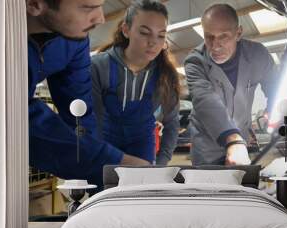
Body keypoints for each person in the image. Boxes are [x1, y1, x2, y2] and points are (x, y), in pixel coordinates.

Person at [26, 0, 149, 188]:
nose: (100, 18)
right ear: (34, 4)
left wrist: (100, 179)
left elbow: (80, 110)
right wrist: (108, 162)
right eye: (88, 8)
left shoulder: (74, 39)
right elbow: (14, 119)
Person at [184, 3, 277, 166]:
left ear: (238, 33)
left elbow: (275, 84)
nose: (215, 46)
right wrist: (233, 139)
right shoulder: (195, 61)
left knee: (238, 185)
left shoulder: (258, 55)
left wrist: (275, 107)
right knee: (207, 187)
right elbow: (205, 100)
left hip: (241, 140)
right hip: (207, 144)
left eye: (223, 36)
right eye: (209, 37)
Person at [91, 0, 180, 165]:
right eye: (145, 32)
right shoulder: (98, 67)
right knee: (107, 188)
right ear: (126, 30)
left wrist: (161, 163)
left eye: (161, 35)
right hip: (106, 144)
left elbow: (172, 123)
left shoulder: (165, 76)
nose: (153, 42)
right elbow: (88, 122)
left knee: (141, 189)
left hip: (143, 145)